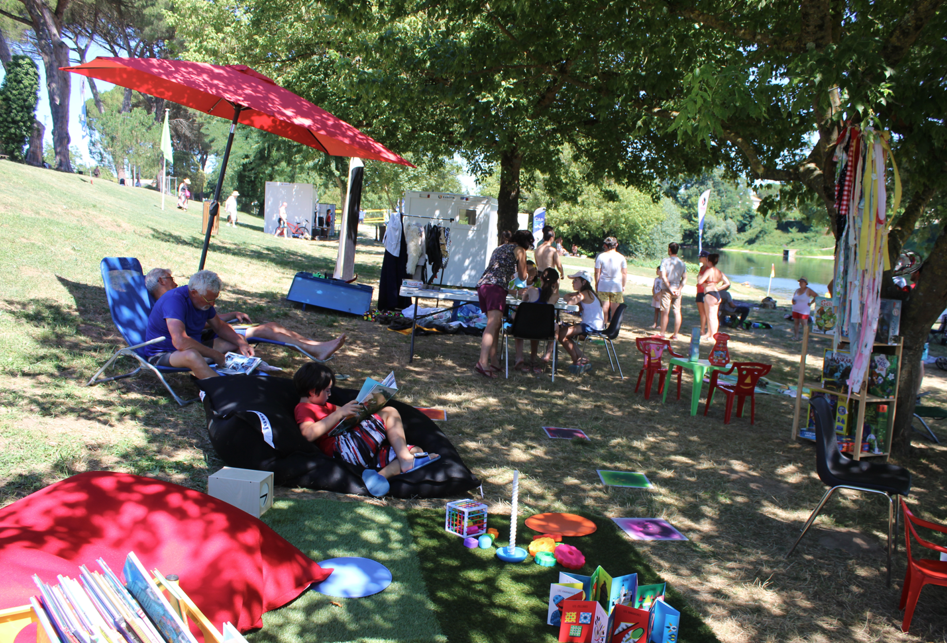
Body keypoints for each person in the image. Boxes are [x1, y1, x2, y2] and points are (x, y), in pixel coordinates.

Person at [293, 362, 438, 497]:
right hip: (343, 451)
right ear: (313, 391)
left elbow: (349, 415)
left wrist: (368, 402)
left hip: (359, 452)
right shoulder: (304, 408)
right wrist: (339, 413)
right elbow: (308, 434)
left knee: (415, 450)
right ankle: (405, 461)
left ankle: (379, 477)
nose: (329, 395)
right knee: (390, 412)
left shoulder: (325, 406)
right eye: (327, 391)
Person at [145, 268, 346, 361]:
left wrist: (229, 316)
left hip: (206, 336)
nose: (175, 281)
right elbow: (191, 329)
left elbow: (208, 319)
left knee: (272, 326)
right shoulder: (171, 301)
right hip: (197, 342)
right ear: (161, 281)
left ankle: (315, 345)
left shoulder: (187, 296)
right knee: (267, 329)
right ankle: (315, 349)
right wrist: (226, 323)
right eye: (170, 277)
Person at [139, 270, 252, 379]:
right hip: (163, 354)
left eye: (214, 299)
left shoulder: (203, 300)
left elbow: (220, 326)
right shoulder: (174, 301)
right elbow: (180, 342)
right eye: (209, 300)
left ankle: (239, 378)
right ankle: (221, 388)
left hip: (192, 347)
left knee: (237, 340)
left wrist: (242, 343)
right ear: (193, 293)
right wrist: (215, 354)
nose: (212, 304)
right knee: (192, 355)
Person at [474, 229, 532, 378]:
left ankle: (494, 361)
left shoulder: (500, 247)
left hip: (483, 286)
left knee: (496, 324)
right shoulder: (520, 250)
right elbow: (522, 276)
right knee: (492, 324)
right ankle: (482, 363)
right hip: (496, 287)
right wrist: (527, 271)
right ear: (526, 243)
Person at [513, 267, 560, 374]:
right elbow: (556, 292)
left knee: (517, 320)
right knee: (556, 326)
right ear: (555, 282)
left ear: (540, 278)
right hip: (543, 330)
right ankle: (546, 354)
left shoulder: (531, 290)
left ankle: (519, 356)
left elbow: (522, 304)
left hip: (525, 327)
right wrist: (556, 285)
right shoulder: (554, 296)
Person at [559, 270, 604, 372]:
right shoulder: (587, 293)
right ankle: (581, 359)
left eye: (576, 280)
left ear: (584, 282)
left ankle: (577, 361)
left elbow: (570, 301)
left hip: (591, 326)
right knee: (563, 333)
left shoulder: (585, 293)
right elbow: (567, 298)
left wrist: (571, 296)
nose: (573, 282)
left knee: (562, 333)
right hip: (592, 324)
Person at [594, 236, 627, 327]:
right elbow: (624, 273)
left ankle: (603, 325)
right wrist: (623, 285)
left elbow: (597, 272)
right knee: (615, 309)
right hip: (616, 285)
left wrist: (597, 283)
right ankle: (613, 327)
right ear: (616, 245)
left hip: (603, 285)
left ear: (605, 245)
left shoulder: (601, 256)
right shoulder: (621, 257)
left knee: (604, 307)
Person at [697, 253, 730, 341]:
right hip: (716, 294)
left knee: (711, 316)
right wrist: (718, 288)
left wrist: (700, 277)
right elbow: (727, 283)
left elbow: (700, 281)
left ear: (709, 261)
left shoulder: (709, 270)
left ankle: (712, 336)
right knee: (714, 316)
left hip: (709, 294)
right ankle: (710, 333)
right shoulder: (719, 271)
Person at [658, 242, 687, 340]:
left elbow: (663, 276)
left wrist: (670, 288)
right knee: (677, 311)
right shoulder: (681, 263)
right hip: (677, 289)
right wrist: (679, 289)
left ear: (669, 249)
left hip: (667, 289)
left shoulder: (665, 261)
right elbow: (685, 278)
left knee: (665, 311)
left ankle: (662, 333)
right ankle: (675, 334)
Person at [695, 250, 710, 337]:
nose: (699, 258)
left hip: (705, 292)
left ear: (705, 258)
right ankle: (702, 329)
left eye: (701, 257)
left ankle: (706, 330)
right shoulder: (702, 268)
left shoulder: (709, 268)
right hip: (699, 291)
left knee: (707, 312)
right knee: (701, 312)